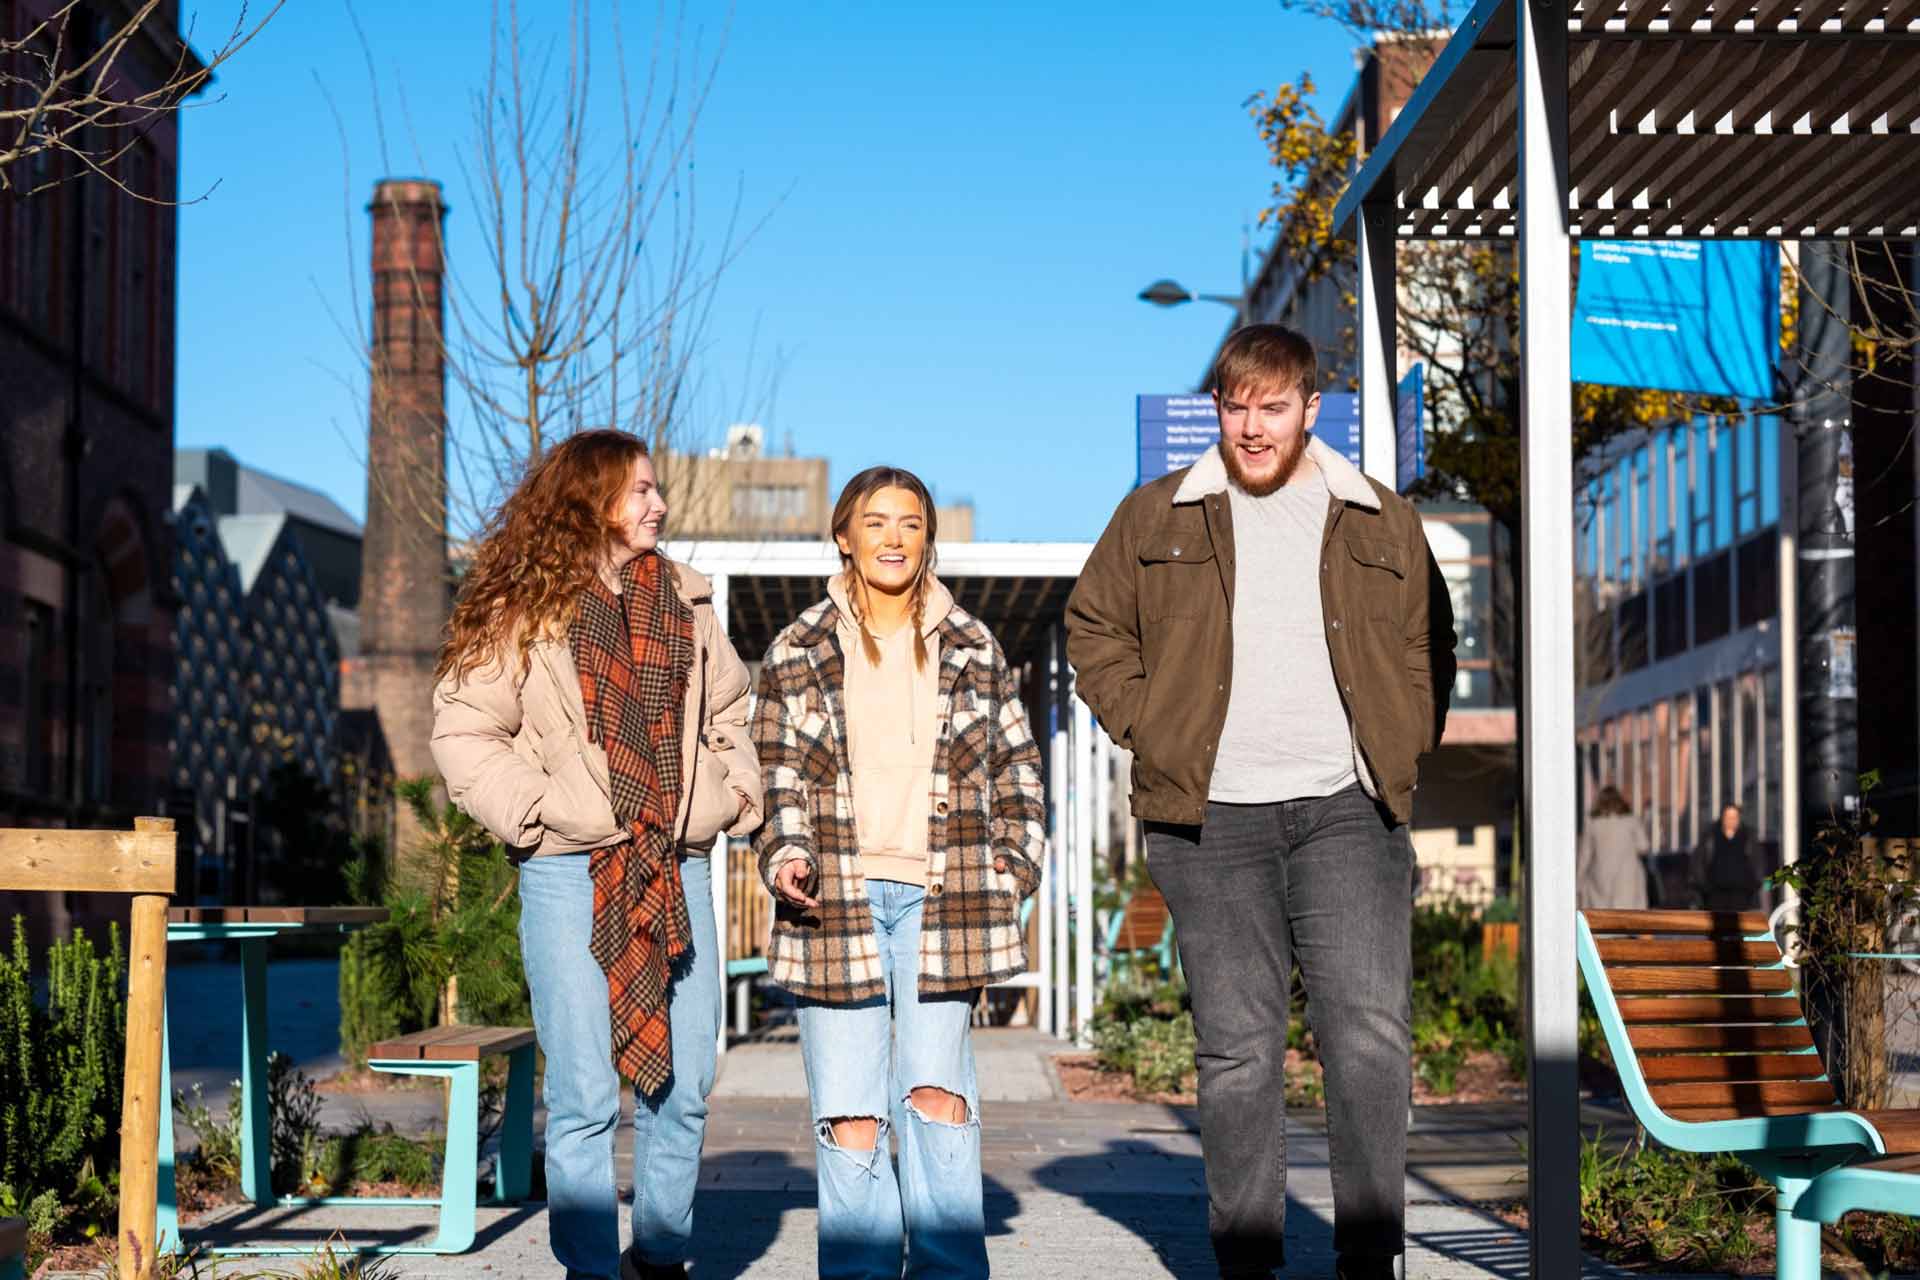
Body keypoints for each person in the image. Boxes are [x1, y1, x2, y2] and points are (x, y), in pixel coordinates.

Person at [1065, 324, 1456, 1280]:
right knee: (1238, 1051)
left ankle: (1370, 1254)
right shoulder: (1158, 514)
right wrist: (1151, 727)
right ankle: (1247, 1257)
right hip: (1212, 820)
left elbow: (1427, 645)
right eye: (1235, 406)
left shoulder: (1379, 517)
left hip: (1346, 811)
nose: (1251, 427)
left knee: (1366, 1036)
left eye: (1271, 407)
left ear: (1310, 411)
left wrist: (1399, 742)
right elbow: (1094, 628)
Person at [430, 430, 763, 1280]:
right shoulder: (524, 608)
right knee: (581, 1096)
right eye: (640, 491)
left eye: (655, 491)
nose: (658, 505)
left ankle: (659, 1255)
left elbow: (732, 715)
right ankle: (589, 1268)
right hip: (567, 871)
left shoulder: (687, 603)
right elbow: (466, 731)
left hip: (676, 866)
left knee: (682, 1087)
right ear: (591, 502)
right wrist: (541, 813)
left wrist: (730, 796)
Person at [750, 465, 1045, 1279]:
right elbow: (773, 778)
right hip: (833, 904)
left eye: (910, 523)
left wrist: (1012, 868)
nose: (892, 537)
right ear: (843, 535)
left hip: (943, 900)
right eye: (874, 522)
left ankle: (950, 1269)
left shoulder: (972, 644)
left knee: (938, 1100)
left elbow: (1019, 768)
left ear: (928, 538)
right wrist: (787, 855)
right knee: (850, 1115)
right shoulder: (797, 649)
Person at [1577, 785, 1651, 910]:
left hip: (1599, 881)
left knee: (1603, 920)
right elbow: (1643, 846)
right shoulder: (1631, 822)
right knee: (1627, 918)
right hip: (1626, 879)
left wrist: (1578, 881)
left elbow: (1585, 856)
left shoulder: (1593, 824)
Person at [1692, 802, 1759, 910]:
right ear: (1723, 818)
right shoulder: (1711, 836)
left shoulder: (1748, 836)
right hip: (1715, 895)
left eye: (1734, 817)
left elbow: (1757, 863)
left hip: (1742, 895)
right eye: (1729, 817)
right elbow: (1698, 862)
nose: (1731, 820)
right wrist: (1703, 887)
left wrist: (1754, 886)